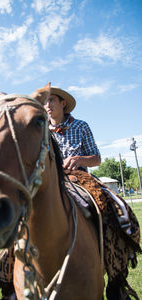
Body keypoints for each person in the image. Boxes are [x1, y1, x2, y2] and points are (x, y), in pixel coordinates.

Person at [44, 86, 141, 300]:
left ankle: (116, 271)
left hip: (81, 178)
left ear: (63, 103)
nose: (47, 105)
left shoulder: (81, 126)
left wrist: (79, 160)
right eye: (45, 101)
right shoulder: (39, 130)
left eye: (52, 100)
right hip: (50, 181)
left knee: (112, 207)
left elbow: (97, 158)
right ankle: (9, 281)